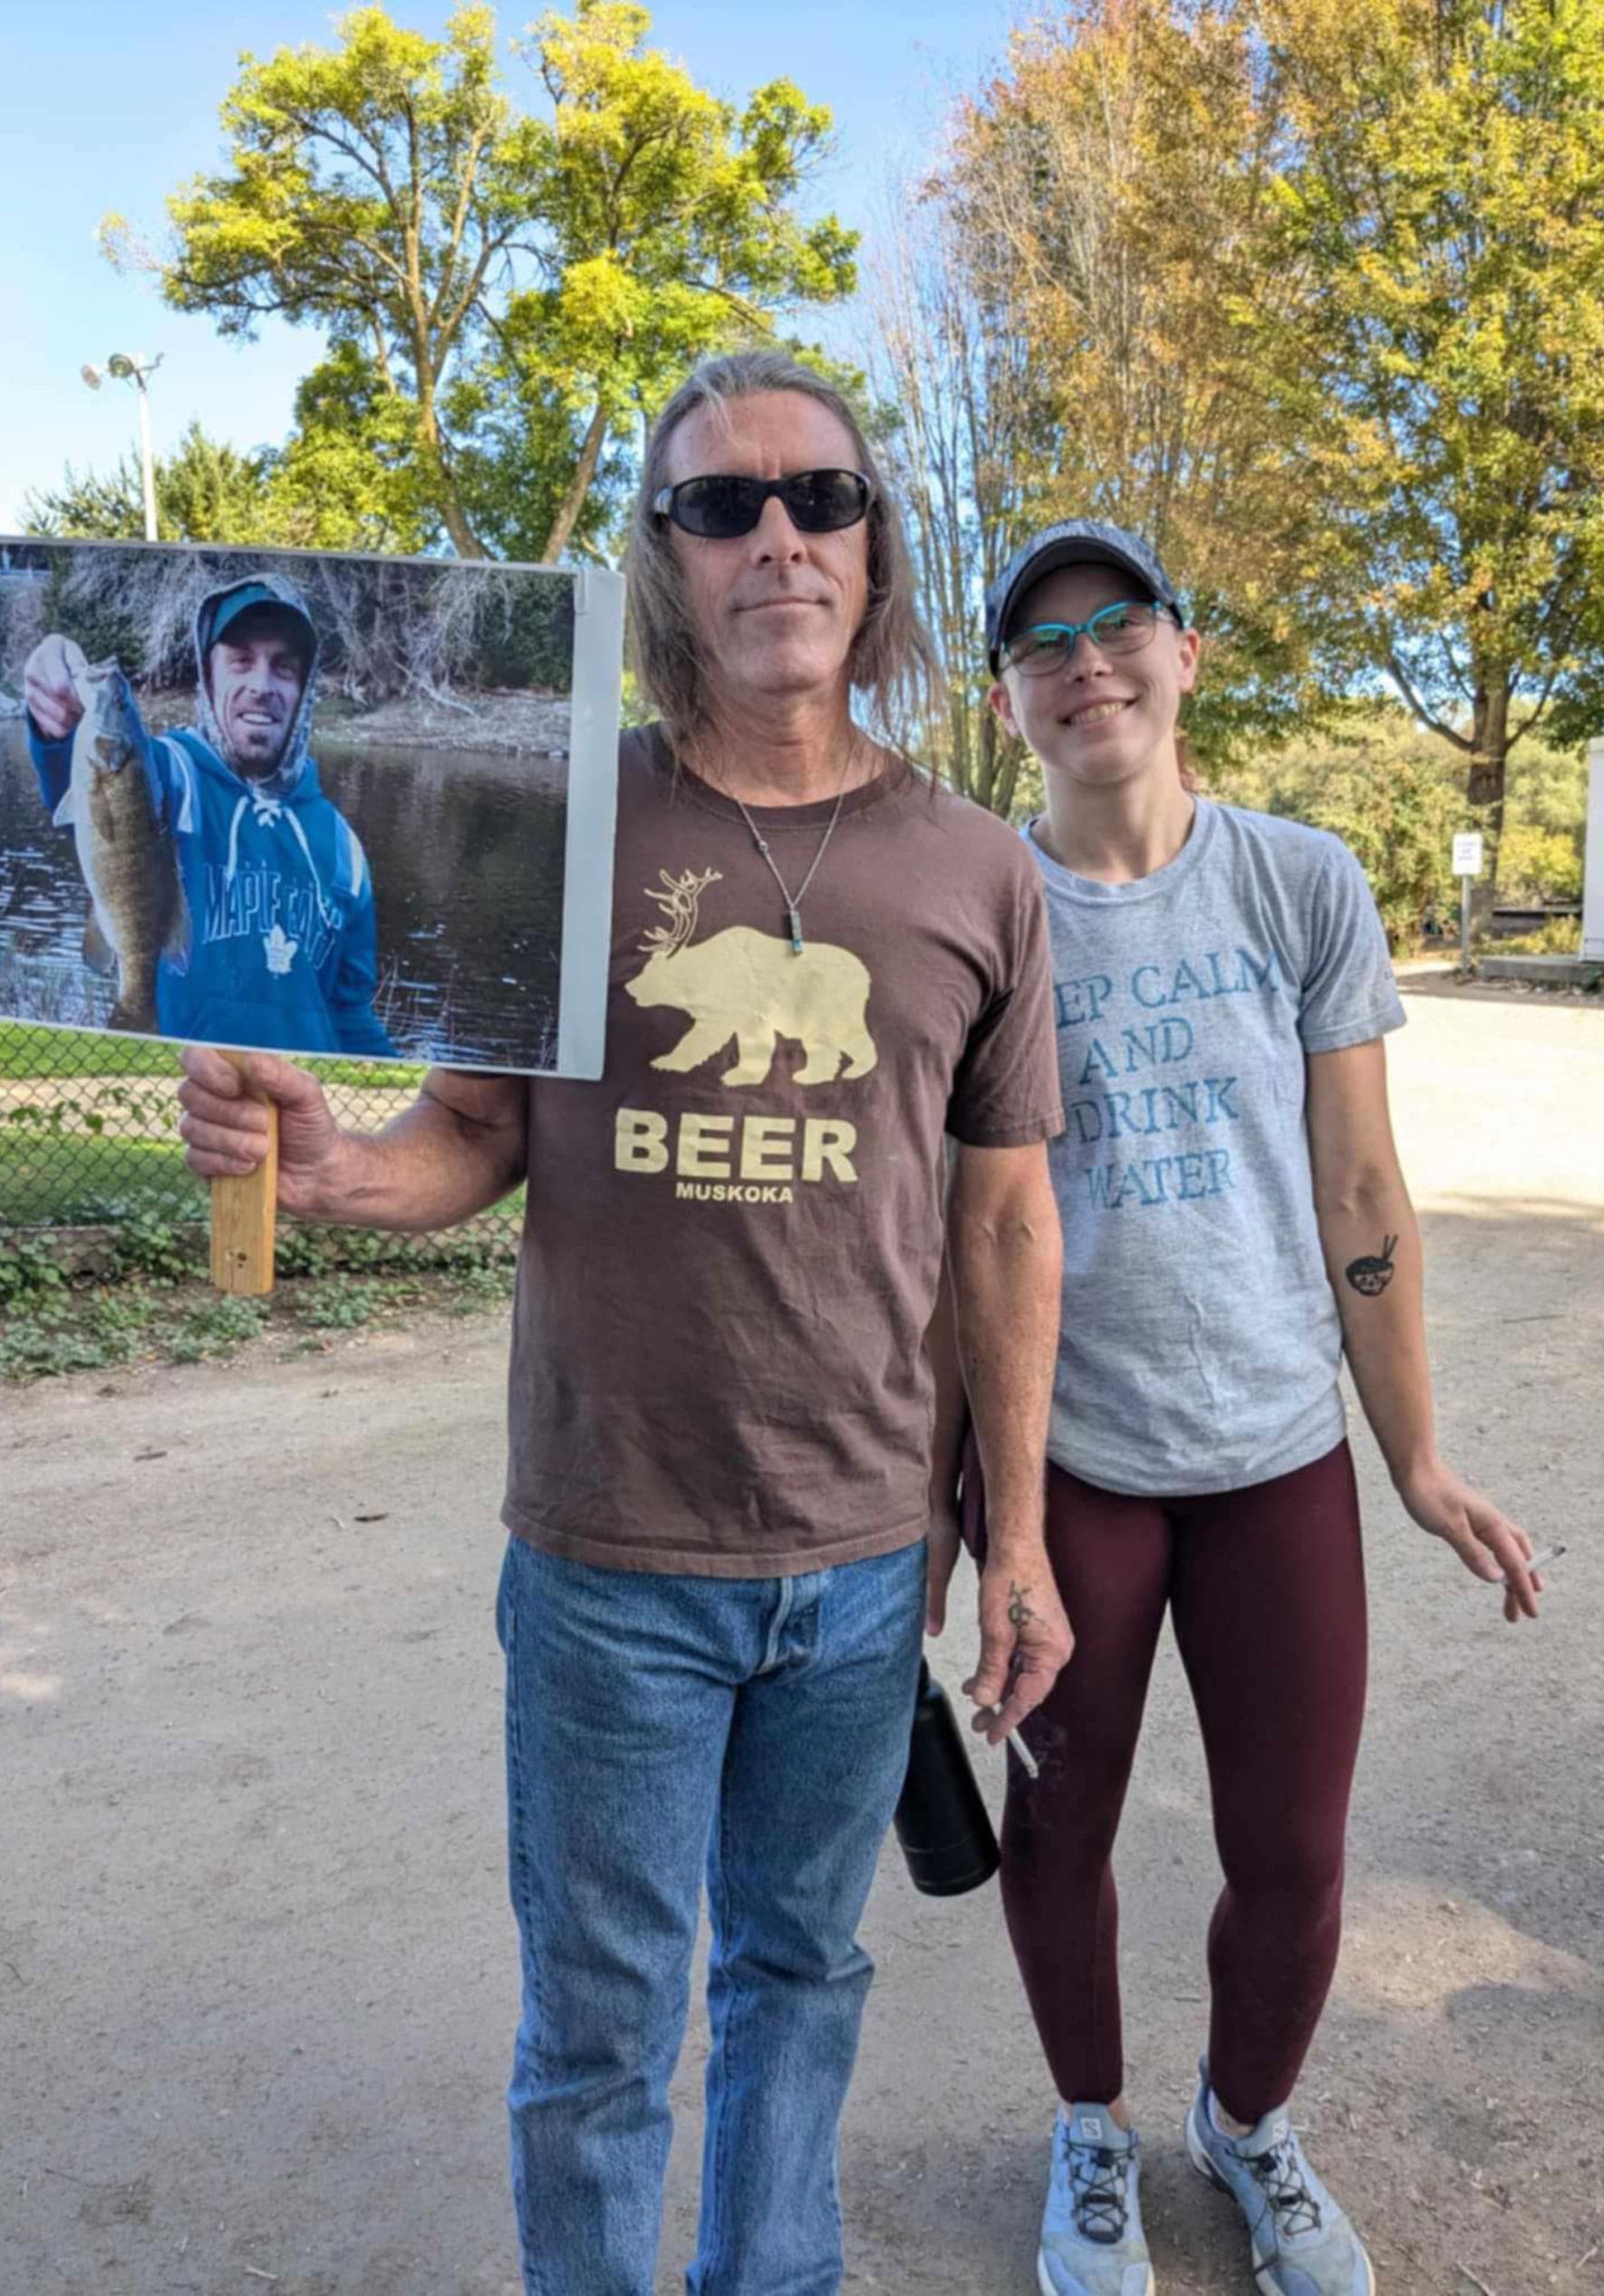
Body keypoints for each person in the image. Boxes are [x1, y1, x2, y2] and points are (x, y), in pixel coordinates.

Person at [176, 350, 1073, 2296]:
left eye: (818, 498)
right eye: (719, 505)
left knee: (797, 1980)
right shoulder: (577, 839)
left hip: (860, 1567)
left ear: (874, 542)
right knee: (594, 2036)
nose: (775, 539)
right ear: (660, 557)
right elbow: (471, 1138)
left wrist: (1012, 1537)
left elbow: (1005, 1226)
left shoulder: (978, 870)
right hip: (602, 1555)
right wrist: (325, 1172)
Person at [928, 519, 1544, 2296]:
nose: (1087, 662)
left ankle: (1246, 2122)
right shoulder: (988, 905)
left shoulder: (1295, 885)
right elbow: (969, 1229)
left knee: (1289, 1845)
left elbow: (1358, 1191)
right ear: (1004, 701)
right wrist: (989, 1519)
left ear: (1186, 655)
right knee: (1060, 1823)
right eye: (1044, 645)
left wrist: (1412, 1457)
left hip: (1274, 1451)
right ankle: (1088, 2131)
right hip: (1073, 1467)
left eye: (1120, 625)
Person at [22, 573, 397, 1056]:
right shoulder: (172, 777)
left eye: (283, 668)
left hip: (302, 1109)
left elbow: (352, 1013)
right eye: (241, 661)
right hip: (185, 1096)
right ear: (209, 674)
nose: (261, 685)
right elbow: (85, 788)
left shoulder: (346, 851)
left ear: (304, 690)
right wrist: (56, 708)